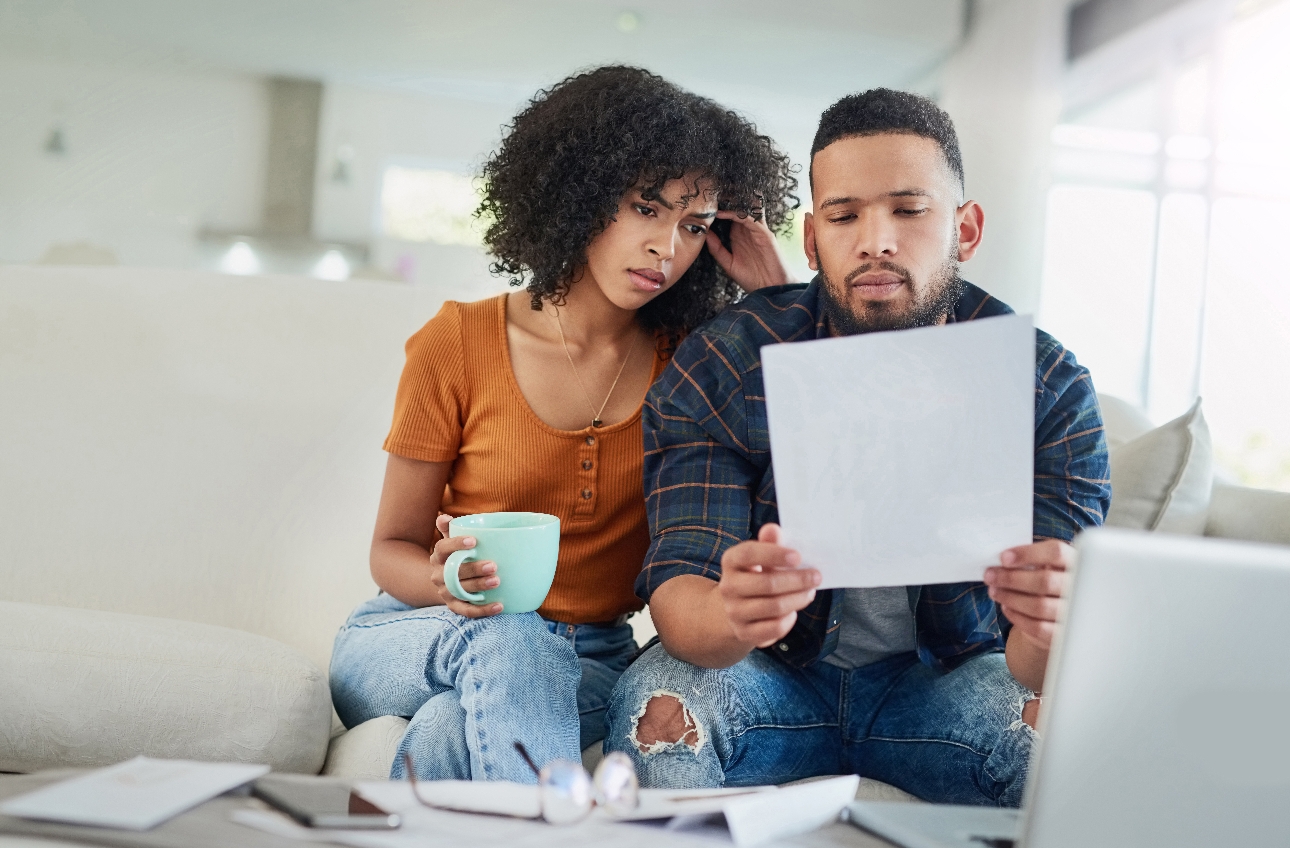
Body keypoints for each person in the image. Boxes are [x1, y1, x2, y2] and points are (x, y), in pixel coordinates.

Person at [603, 89, 1110, 806]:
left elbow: (1040, 669)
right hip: (770, 677)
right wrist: (736, 614)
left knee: (1064, 741)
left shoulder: (1047, 385)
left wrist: (1049, 619)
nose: (877, 240)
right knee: (659, 704)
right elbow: (684, 603)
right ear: (812, 241)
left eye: (909, 210)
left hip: (949, 684)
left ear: (965, 229)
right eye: (845, 216)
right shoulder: (727, 362)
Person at [328, 65, 798, 784]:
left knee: (452, 728)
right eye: (646, 207)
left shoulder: (695, 365)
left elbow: (816, 455)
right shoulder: (456, 343)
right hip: (416, 632)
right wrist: (445, 579)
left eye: (694, 225)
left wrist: (775, 298)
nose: (666, 247)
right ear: (580, 191)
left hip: (588, 660)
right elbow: (390, 548)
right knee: (511, 638)